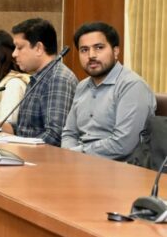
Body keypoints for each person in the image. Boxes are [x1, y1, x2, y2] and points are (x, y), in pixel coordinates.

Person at [61, 22, 155, 160]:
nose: (91, 55)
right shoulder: (82, 86)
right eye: (84, 50)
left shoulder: (132, 86)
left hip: (119, 167)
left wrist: (77, 154)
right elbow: (69, 133)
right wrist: (68, 154)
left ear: (115, 51)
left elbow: (123, 144)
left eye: (99, 47)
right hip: (80, 162)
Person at [11, 18, 77, 146]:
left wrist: (18, 148)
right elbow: (24, 130)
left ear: (39, 48)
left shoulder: (57, 79)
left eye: (19, 48)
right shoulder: (37, 77)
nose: (14, 54)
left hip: (41, 157)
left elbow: (55, 136)